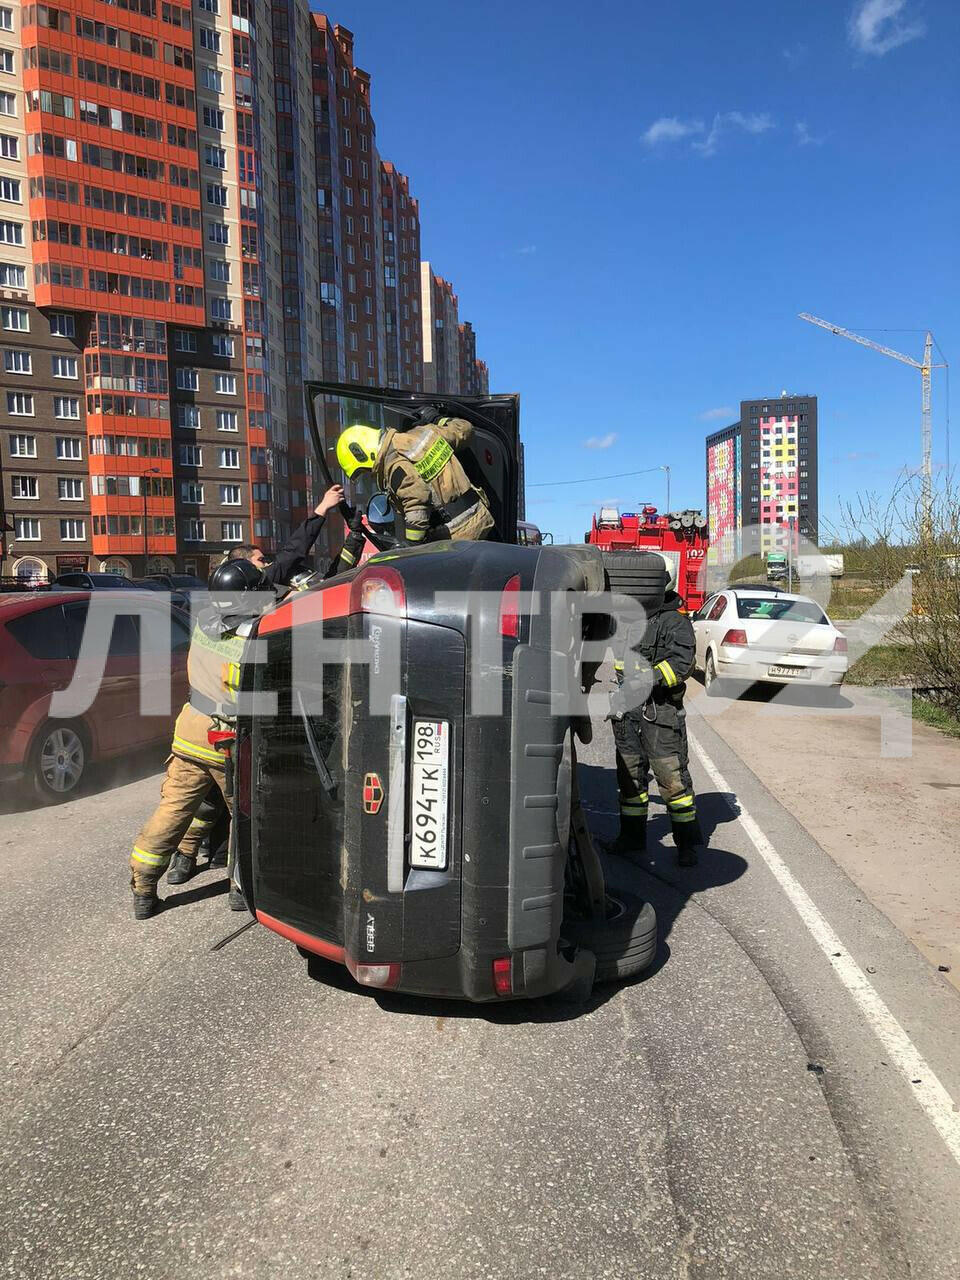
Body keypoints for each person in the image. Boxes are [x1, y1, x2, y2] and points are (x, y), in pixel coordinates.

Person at [130, 485, 355, 917]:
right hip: (227, 740)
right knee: (245, 819)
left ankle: (143, 887)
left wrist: (317, 515)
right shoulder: (256, 633)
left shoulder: (206, 616)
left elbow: (269, 577)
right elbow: (282, 581)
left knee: (172, 810)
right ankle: (239, 889)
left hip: (189, 730)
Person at [604, 557, 704, 868]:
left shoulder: (675, 621)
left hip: (659, 714)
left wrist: (647, 680)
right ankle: (632, 838)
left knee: (673, 782)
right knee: (630, 780)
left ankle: (686, 844)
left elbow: (682, 664)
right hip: (628, 714)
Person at [335, 405, 494, 544]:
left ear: (362, 453)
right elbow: (465, 430)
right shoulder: (425, 433)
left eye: (364, 470)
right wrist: (437, 419)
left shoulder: (393, 463)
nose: (370, 474)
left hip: (454, 535)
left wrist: (411, 547)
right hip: (479, 517)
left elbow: (416, 501)